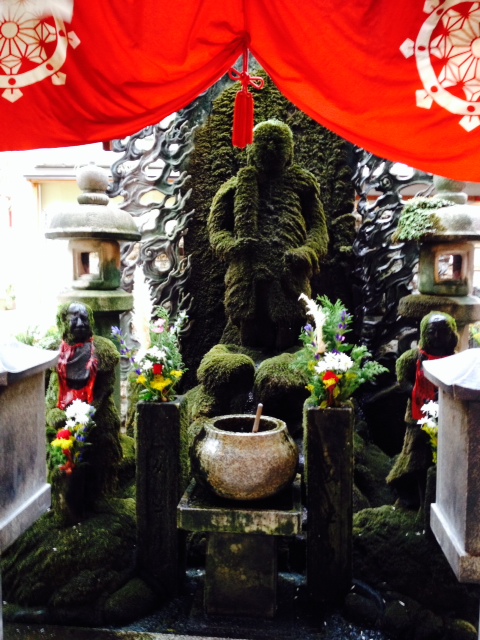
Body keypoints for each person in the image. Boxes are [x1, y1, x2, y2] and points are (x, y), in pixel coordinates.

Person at [208, 119, 328, 351]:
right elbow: (217, 229)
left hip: (289, 273)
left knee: (289, 331)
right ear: (251, 149)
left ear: (290, 150)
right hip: (248, 273)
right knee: (249, 331)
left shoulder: (303, 185)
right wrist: (232, 245)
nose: (271, 149)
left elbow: (318, 230)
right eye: (263, 143)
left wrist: (307, 251)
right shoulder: (234, 187)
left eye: (278, 143)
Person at [46, 302, 122, 511]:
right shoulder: (54, 353)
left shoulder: (102, 350)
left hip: (96, 416)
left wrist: (89, 413)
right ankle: (61, 503)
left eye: (84, 318)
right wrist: (53, 413)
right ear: (63, 321)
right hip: (62, 417)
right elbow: (48, 390)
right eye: (74, 317)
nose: (80, 323)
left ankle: (102, 497)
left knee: (102, 448)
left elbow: (105, 388)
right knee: (56, 453)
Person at [386, 311, 458, 508]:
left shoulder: (454, 359)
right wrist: (419, 394)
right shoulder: (414, 358)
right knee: (415, 456)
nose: (437, 336)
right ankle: (410, 494)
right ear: (425, 333)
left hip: (446, 416)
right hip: (418, 417)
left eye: (443, 332)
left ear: (452, 334)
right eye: (432, 331)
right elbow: (403, 380)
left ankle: (441, 498)